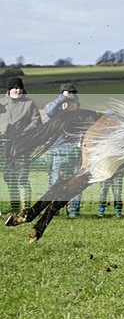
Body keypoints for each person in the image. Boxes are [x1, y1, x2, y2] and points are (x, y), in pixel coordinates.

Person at [0, 76, 42, 212]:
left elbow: (36, 121)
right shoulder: (1, 103)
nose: (18, 91)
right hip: (3, 145)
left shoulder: (29, 104)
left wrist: (25, 132)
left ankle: (25, 209)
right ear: (9, 89)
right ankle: (14, 207)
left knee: (22, 177)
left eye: (19, 88)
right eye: (14, 88)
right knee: (9, 178)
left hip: (22, 145)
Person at [44, 83, 82, 218]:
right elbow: (49, 111)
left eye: (73, 101)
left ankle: (74, 211)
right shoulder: (58, 114)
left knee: (76, 182)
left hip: (76, 152)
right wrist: (63, 97)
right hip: (58, 152)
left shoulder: (81, 115)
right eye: (68, 101)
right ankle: (54, 210)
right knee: (55, 181)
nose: (71, 104)